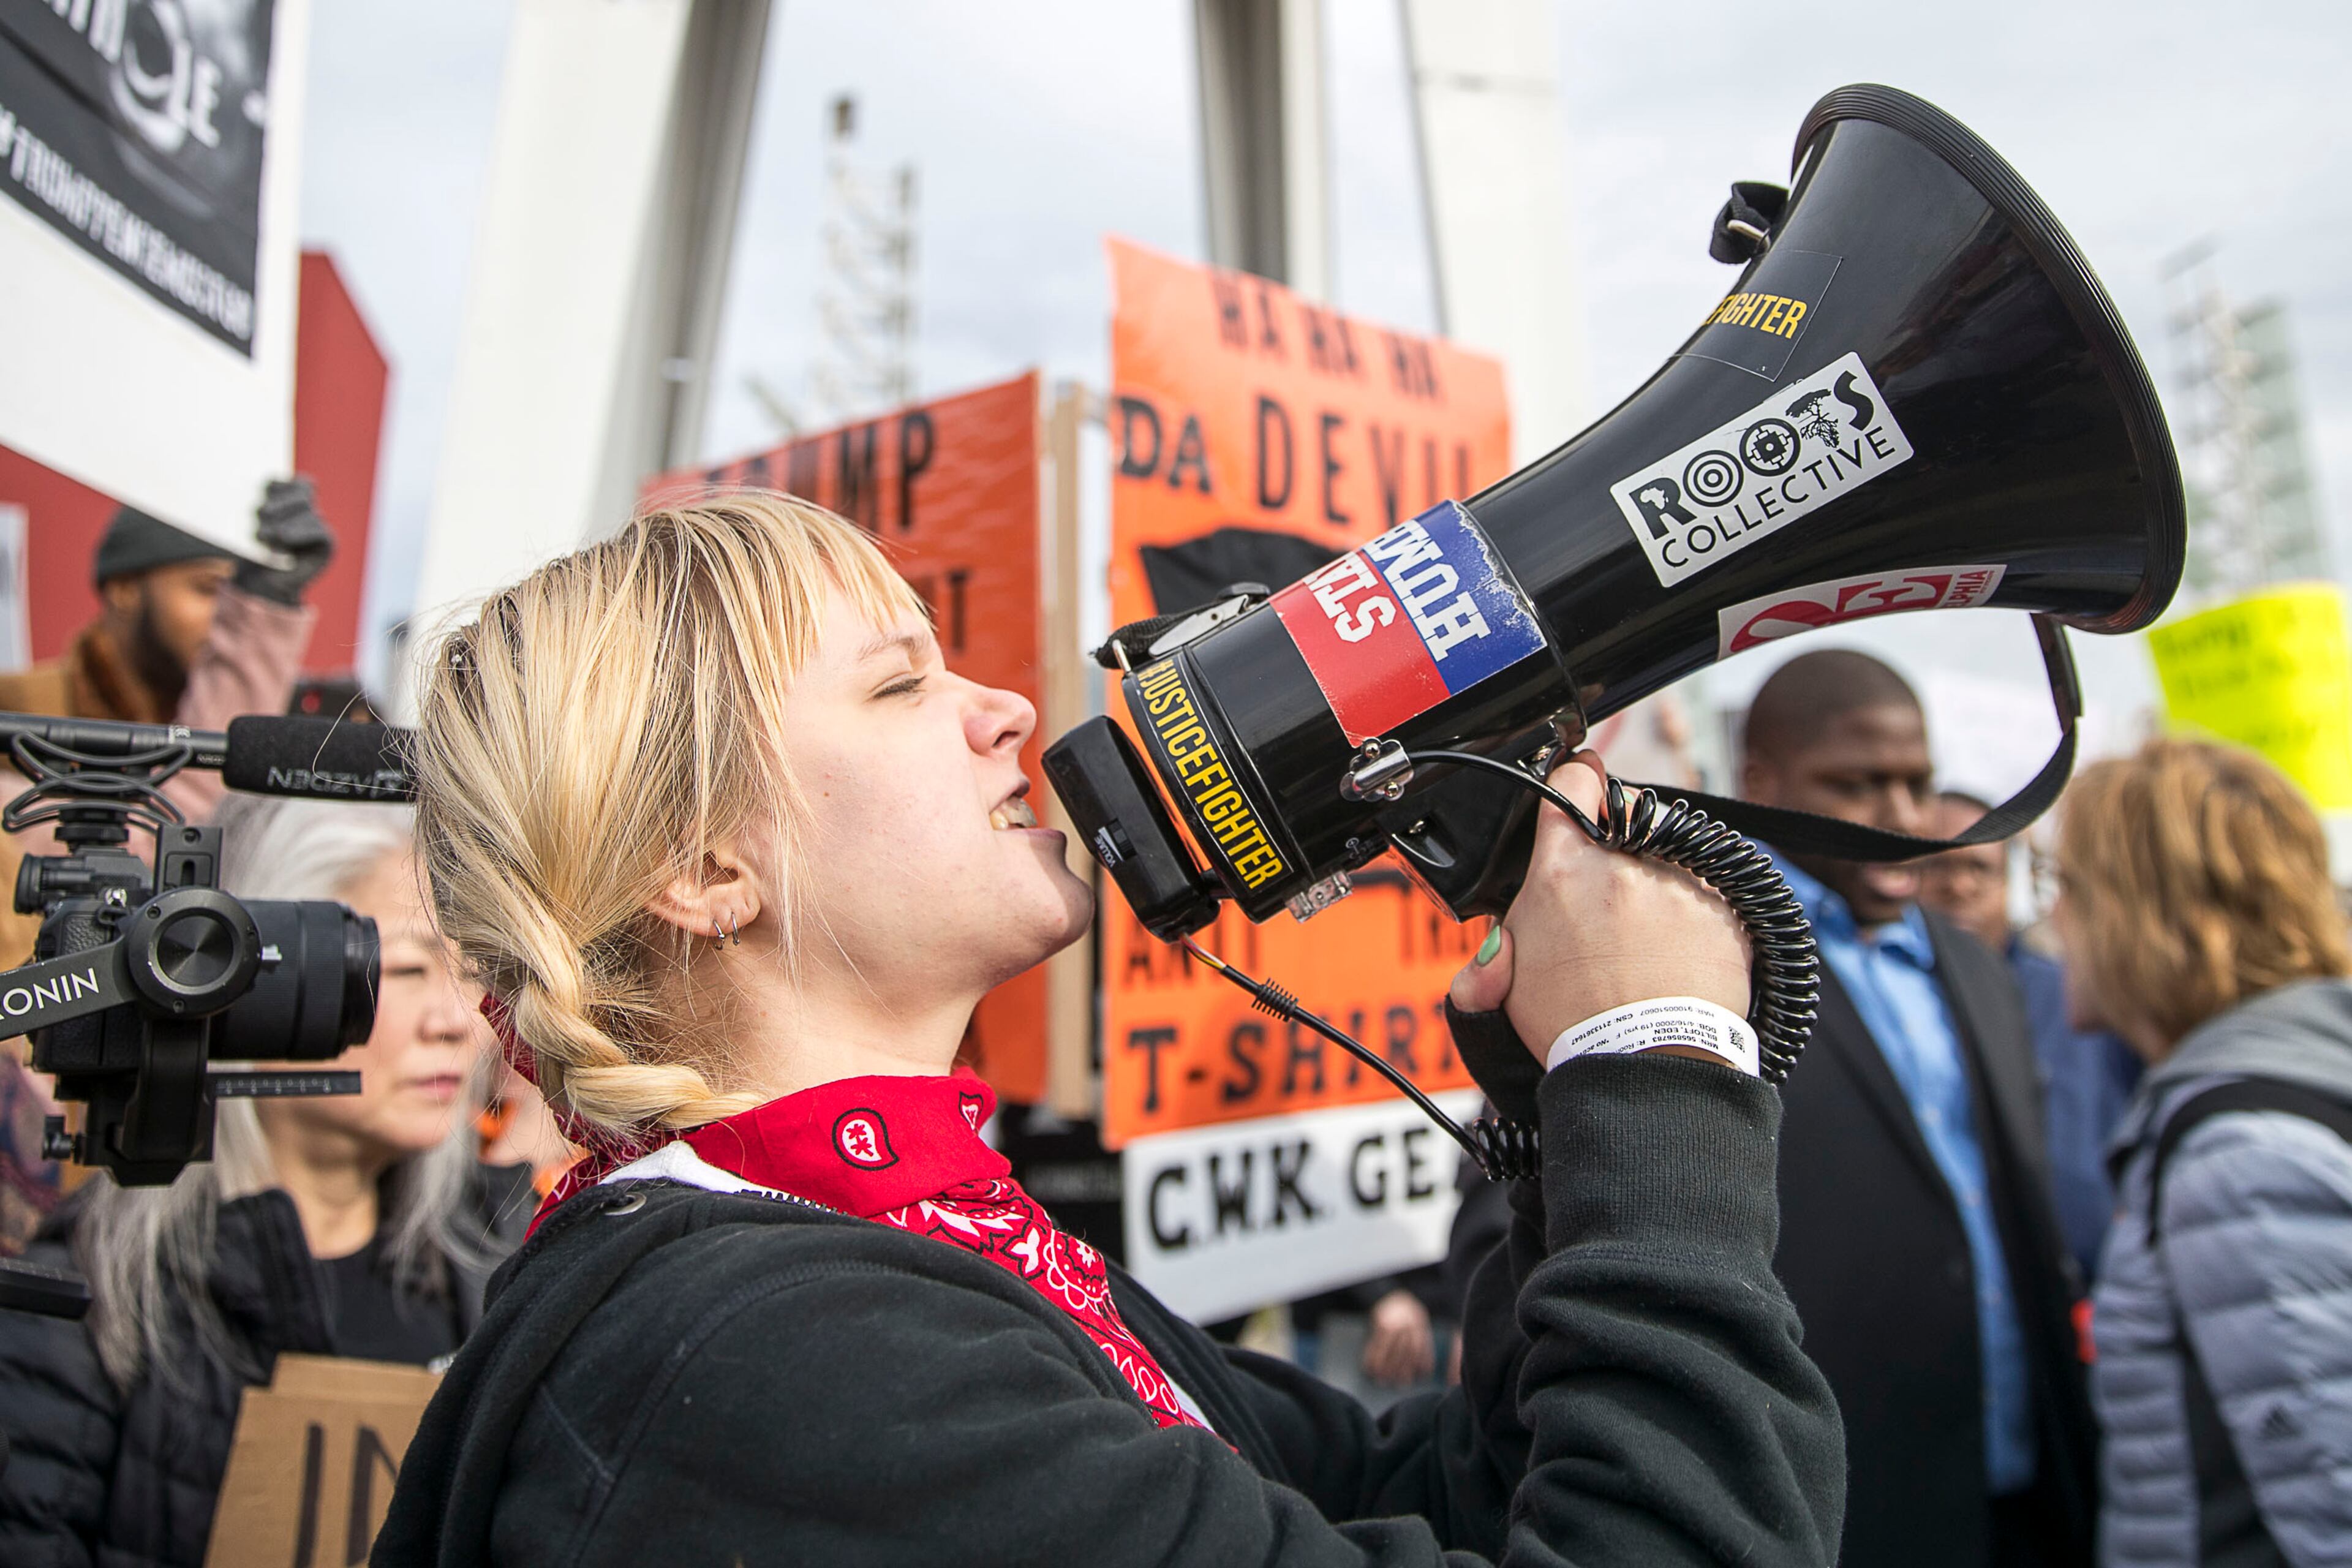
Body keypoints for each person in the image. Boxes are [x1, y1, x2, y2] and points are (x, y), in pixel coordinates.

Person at [373, 493, 1843, 1566]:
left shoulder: (912, 1245)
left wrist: (1548, 1114)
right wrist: (1650, 1054)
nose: (1007, 708)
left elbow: (1433, 1493)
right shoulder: (781, 1360)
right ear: (702, 870)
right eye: (900, 683)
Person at [0, 797, 533, 1568]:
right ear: (242, 980)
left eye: (474, 972)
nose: (458, 1019)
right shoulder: (96, 1294)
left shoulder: (509, 1266)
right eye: (411, 966)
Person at [1740, 649, 2096, 1568]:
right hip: (1848, 1512)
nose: (1901, 818)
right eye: (1854, 785)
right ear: (1759, 783)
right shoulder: (1704, 969)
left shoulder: (1975, 966)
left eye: (1917, 782)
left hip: (2035, 1489)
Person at [0, 484, 334, 1254]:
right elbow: (171, 811)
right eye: (209, 590)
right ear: (123, 588)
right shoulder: (17, 738)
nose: (225, 618)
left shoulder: (229, 769)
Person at [2052, 739, 2352, 1566]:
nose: (2054, 922)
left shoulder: (2239, 1156)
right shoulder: (2262, 1089)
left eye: (2067, 888)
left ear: (2137, 909)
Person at [1918, 791, 2142, 1280]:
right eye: (1936, 866)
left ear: (2009, 881)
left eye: (1979, 868)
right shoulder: (1884, 1012)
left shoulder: (2078, 998)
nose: (1958, 886)